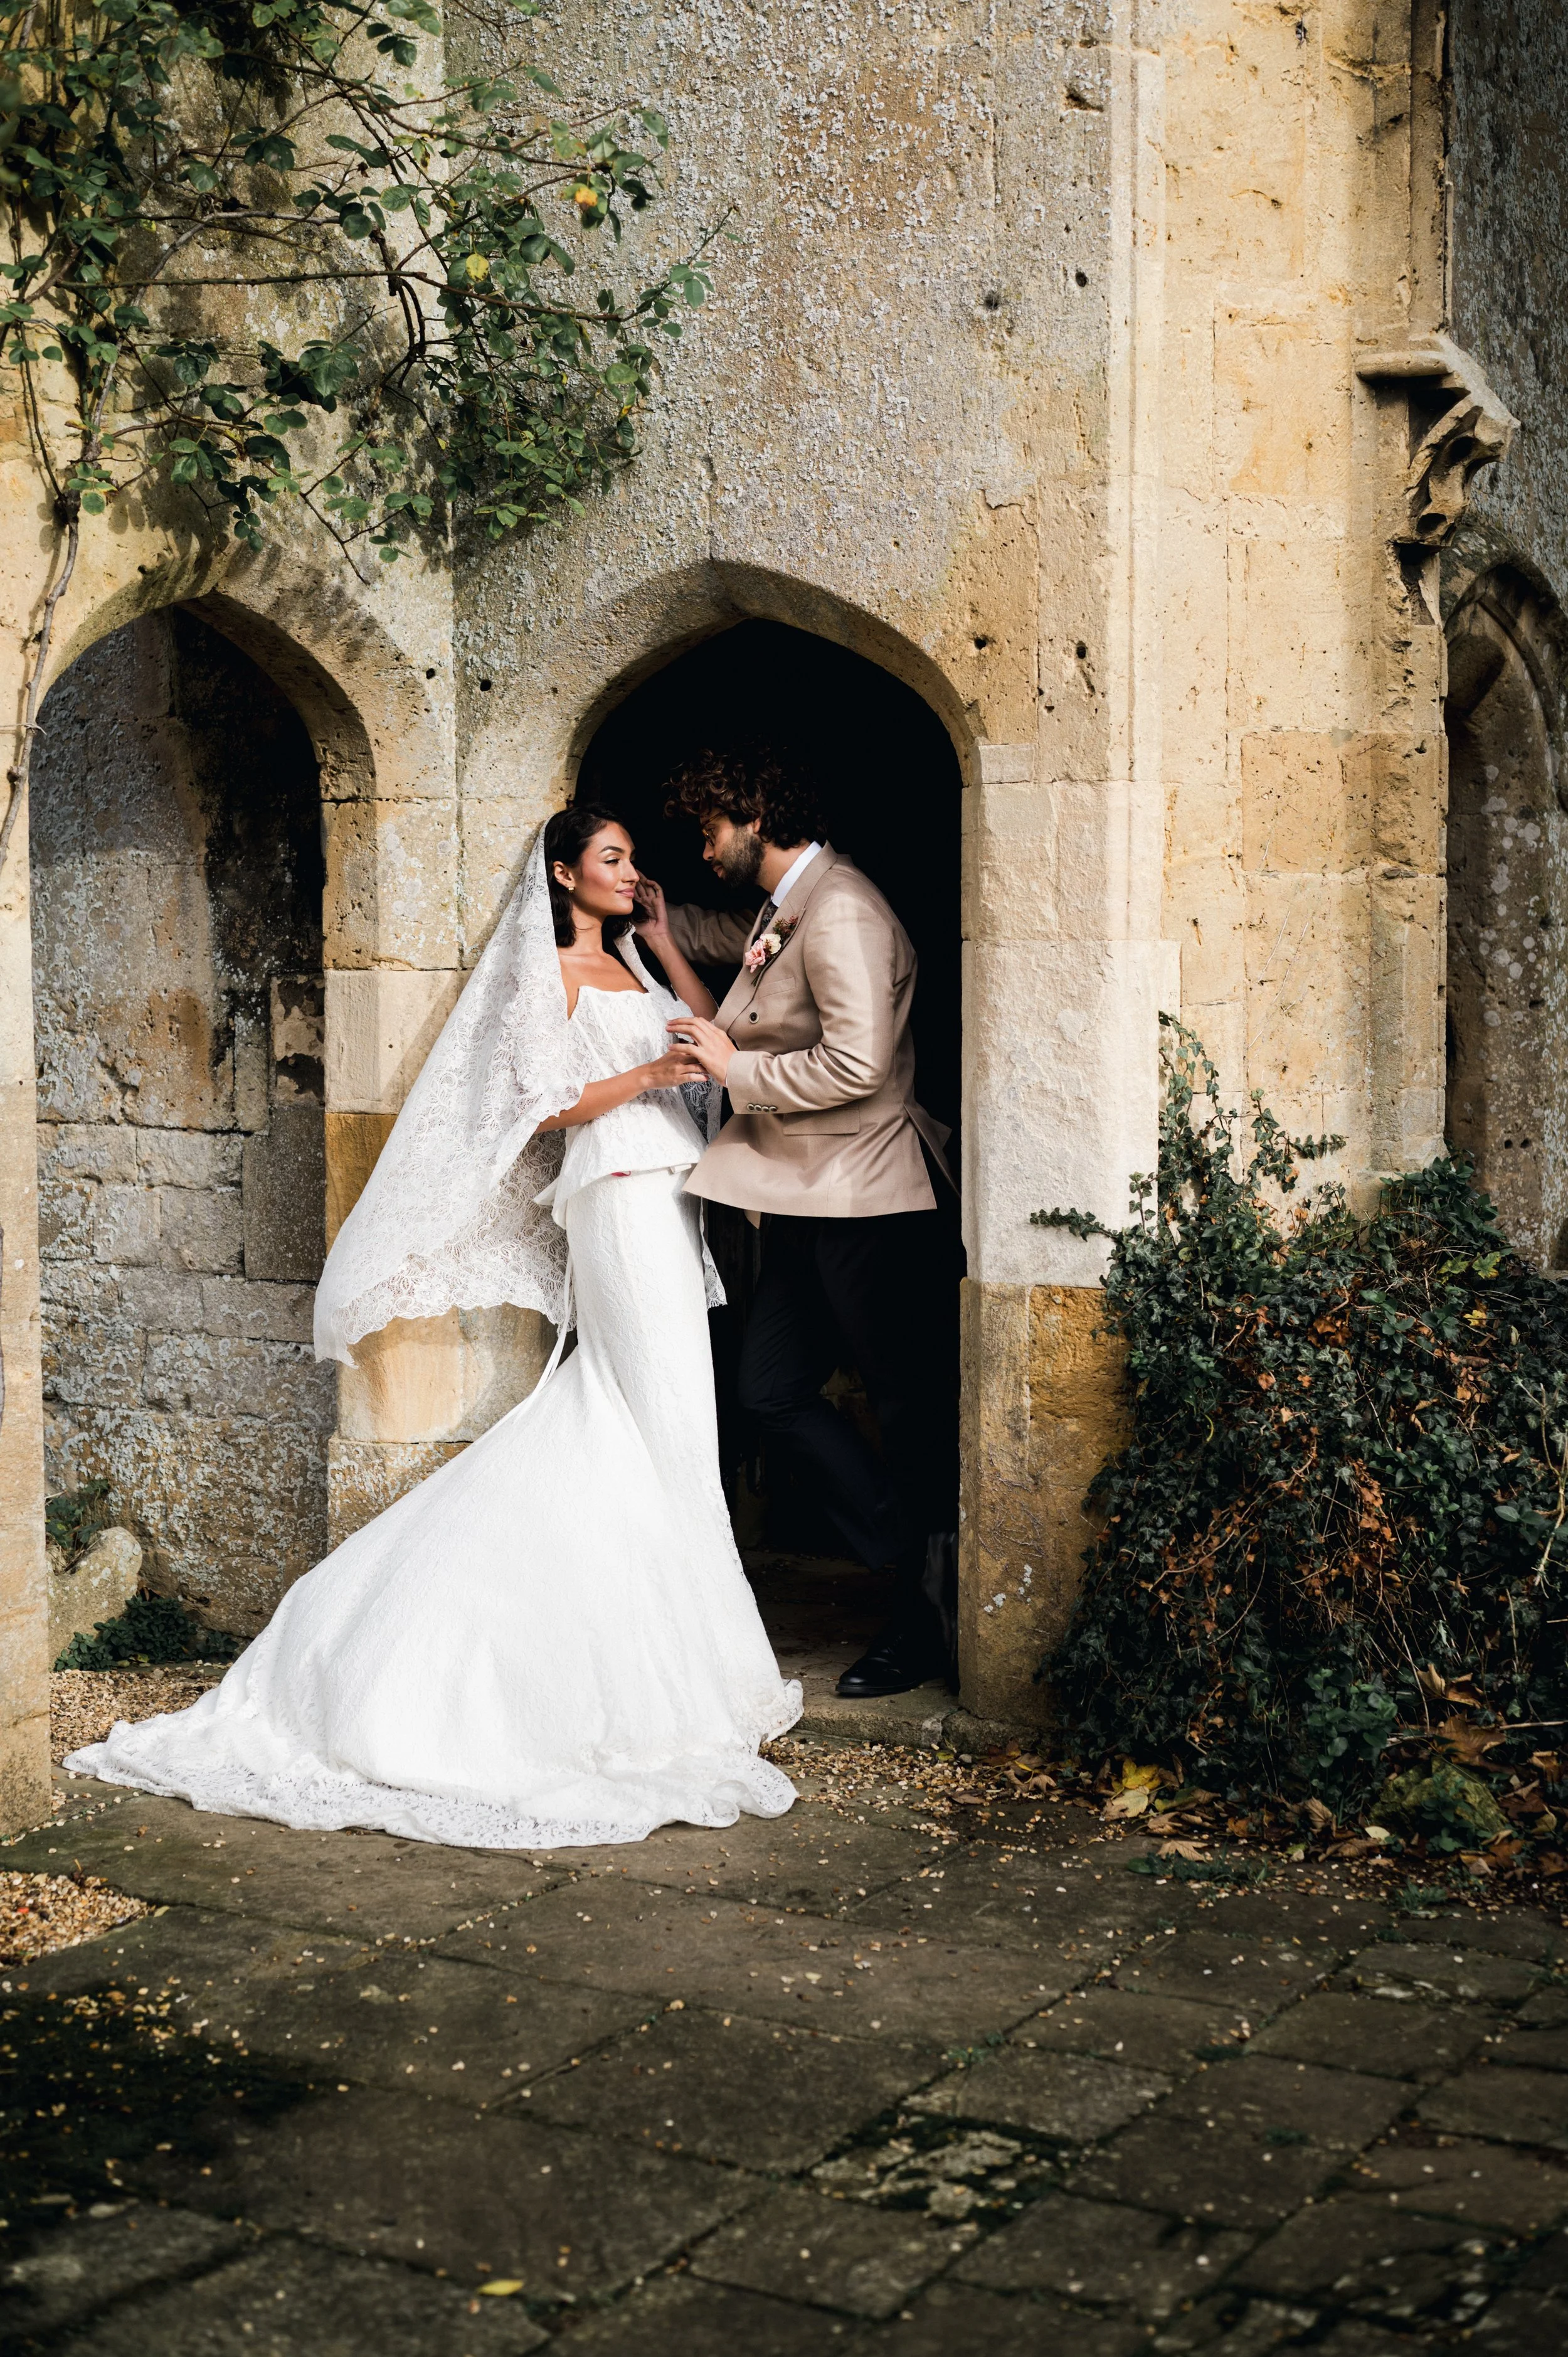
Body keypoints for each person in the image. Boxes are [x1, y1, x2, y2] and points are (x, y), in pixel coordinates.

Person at [66, 806, 802, 1847]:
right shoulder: (542, 973)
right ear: (561, 874)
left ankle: (688, 1663)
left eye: (633, 859)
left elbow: (704, 1033)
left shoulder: (635, 966)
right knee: (662, 1416)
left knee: (659, 1419)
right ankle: (658, 1679)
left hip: (671, 1192)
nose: (629, 873)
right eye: (611, 859)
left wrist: (670, 946)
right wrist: (644, 1080)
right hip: (617, 1190)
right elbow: (535, 1102)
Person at [646, 747, 960, 1700]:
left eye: (709, 829)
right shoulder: (794, 906)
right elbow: (739, 947)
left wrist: (731, 1071)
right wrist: (655, 927)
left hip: (870, 1199)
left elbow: (859, 1066)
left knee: (908, 1416)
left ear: (752, 814)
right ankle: (911, 1557)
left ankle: (926, 1619)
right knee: (767, 1391)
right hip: (804, 1197)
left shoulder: (847, 908)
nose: (704, 848)